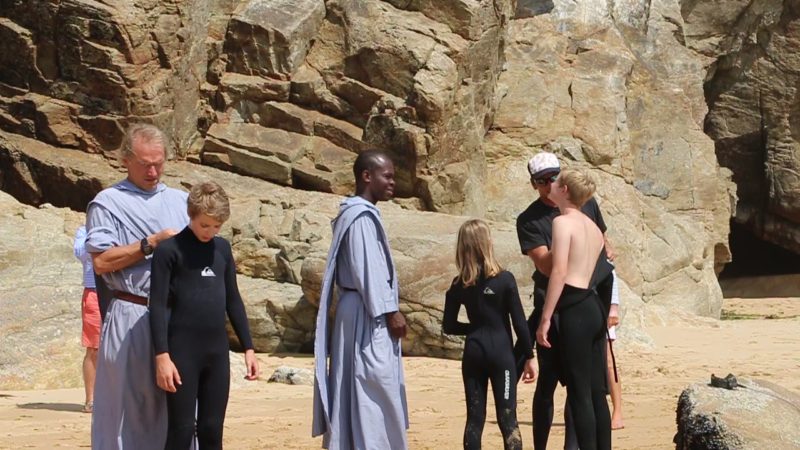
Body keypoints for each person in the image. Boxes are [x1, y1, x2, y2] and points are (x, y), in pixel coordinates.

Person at [85, 123, 190, 449]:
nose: (153, 171)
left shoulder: (181, 201)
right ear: (125, 160)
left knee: (179, 411)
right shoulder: (108, 202)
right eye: (145, 164)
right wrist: (150, 243)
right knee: (127, 410)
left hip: (177, 317)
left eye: (159, 163)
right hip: (132, 312)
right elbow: (101, 262)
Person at [514, 152, 616, 450]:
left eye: (554, 179)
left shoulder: (564, 221)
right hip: (590, 304)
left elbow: (558, 271)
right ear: (534, 183)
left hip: (571, 306)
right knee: (588, 391)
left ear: (564, 187)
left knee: (582, 392)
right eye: (542, 180)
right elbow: (602, 255)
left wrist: (545, 319)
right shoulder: (580, 222)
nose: (550, 184)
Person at [149, 181, 260, 449]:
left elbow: (233, 299)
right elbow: (158, 306)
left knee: (212, 429)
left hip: (216, 352)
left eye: (217, 226)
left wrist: (248, 347)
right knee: (182, 429)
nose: (210, 232)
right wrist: (162, 355)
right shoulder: (169, 251)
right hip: (181, 352)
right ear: (191, 215)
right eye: (204, 225)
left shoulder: (222, 249)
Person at [312, 149, 409, 450]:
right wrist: (391, 312)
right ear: (367, 176)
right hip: (368, 313)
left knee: (362, 383)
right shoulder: (360, 218)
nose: (392, 182)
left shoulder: (359, 214)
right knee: (372, 384)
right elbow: (368, 270)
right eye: (387, 176)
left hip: (359, 309)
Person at [443, 219, 537, 450]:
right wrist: (529, 356)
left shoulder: (458, 284)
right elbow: (519, 323)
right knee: (508, 418)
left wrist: (474, 329)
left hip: (473, 352)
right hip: (501, 354)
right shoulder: (505, 280)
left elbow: (449, 326)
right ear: (487, 243)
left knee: (474, 419)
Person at [74, 225, 101, 414]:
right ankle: (91, 399)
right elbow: (80, 252)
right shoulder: (85, 230)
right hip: (94, 292)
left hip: (121, 292)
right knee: (94, 348)